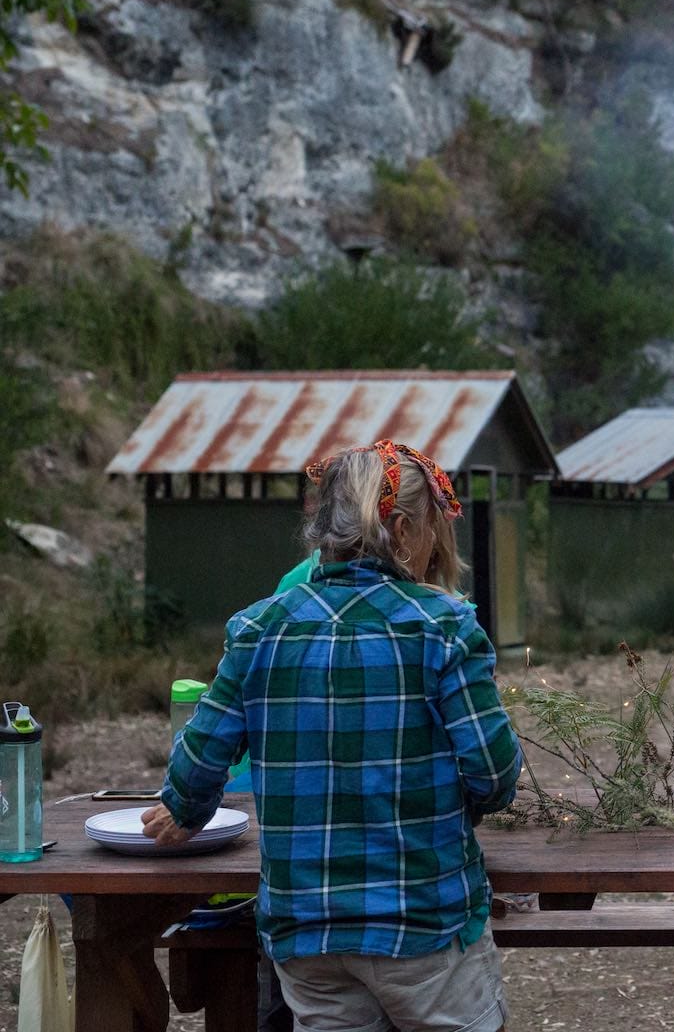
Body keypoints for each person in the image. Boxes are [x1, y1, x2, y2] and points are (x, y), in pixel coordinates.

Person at [144, 440, 522, 1032]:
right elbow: (495, 778)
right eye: (430, 531)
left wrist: (184, 810)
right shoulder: (445, 629)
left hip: (307, 934)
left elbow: (194, 771)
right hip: (423, 922)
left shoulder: (258, 628)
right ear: (400, 530)